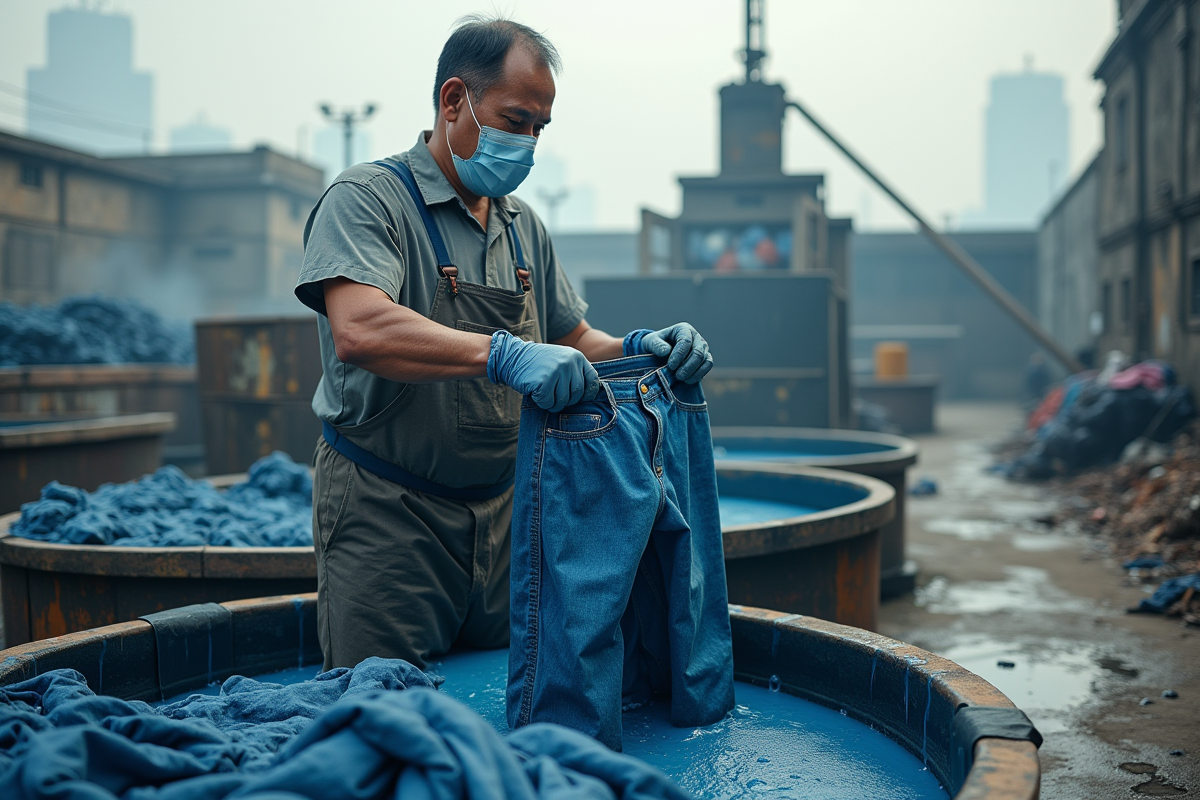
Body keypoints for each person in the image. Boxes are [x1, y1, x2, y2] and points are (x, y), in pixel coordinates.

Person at [294, 16, 714, 671]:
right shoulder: (369, 200)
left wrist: (640, 348)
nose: (527, 143)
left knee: (501, 699)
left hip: (506, 518)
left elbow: (570, 338)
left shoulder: (522, 227)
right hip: (390, 519)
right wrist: (502, 353)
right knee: (380, 718)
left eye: (539, 129)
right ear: (454, 100)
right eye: (515, 121)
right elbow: (359, 328)